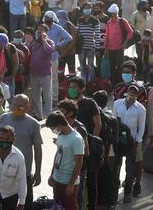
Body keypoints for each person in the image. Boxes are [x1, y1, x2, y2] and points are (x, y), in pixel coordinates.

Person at [0, 94, 42, 210]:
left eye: (20, 107)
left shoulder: (33, 124)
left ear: (27, 108)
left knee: (25, 204)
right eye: (14, 105)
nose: (16, 109)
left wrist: (37, 172)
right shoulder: (3, 118)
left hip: (24, 173)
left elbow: (38, 150)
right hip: (3, 171)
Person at [68, 76, 102, 210]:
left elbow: (97, 125)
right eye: (70, 87)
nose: (71, 90)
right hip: (72, 150)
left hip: (88, 149)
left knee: (91, 183)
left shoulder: (89, 103)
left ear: (82, 89)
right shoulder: (69, 104)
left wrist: (91, 143)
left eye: (74, 87)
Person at [113, 85, 146, 203]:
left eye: (135, 95)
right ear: (126, 93)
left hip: (131, 142)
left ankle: (127, 192)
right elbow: (113, 121)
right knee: (116, 165)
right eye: (130, 94)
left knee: (130, 168)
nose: (132, 97)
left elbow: (141, 127)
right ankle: (113, 192)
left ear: (138, 96)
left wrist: (137, 143)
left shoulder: (141, 109)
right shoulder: (117, 104)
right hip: (118, 140)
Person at [46, 111, 85, 210]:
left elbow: (79, 162)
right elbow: (57, 155)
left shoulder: (76, 139)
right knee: (57, 206)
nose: (52, 131)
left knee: (70, 206)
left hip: (68, 182)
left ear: (58, 125)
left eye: (52, 128)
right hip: (57, 178)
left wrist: (71, 184)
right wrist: (52, 174)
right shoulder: (61, 135)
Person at [57, 99, 89, 210]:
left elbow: (85, 153)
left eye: (61, 111)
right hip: (61, 175)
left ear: (70, 113)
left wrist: (71, 182)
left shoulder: (79, 129)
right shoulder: (62, 128)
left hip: (76, 174)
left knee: (75, 202)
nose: (59, 114)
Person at [45, 11, 73, 106]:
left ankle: (54, 98)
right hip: (43, 57)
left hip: (53, 56)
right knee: (43, 78)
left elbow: (69, 38)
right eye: (45, 18)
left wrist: (59, 45)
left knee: (54, 78)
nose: (46, 20)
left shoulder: (57, 28)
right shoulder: (43, 27)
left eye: (48, 18)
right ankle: (45, 98)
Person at [29, 24, 55, 120]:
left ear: (46, 32)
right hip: (34, 73)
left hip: (45, 74)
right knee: (36, 94)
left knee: (47, 95)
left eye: (42, 30)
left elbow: (49, 50)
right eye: (38, 30)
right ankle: (38, 114)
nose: (39, 31)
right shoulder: (34, 43)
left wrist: (44, 39)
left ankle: (48, 116)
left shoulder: (49, 42)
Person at [104, 3, 134, 86]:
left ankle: (122, 83)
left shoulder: (122, 21)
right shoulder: (109, 23)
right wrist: (106, 49)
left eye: (113, 14)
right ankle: (113, 84)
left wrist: (125, 42)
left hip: (119, 48)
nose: (112, 15)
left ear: (116, 13)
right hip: (110, 49)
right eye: (111, 14)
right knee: (112, 68)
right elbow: (107, 36)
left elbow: (130, 32)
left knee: (121, 67)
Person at [77, 2, 101, 83]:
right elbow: (78, 33)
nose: (87, 9)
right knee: (82, 66)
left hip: (91, 47)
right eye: (85, 7)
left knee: (91, 66)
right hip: (81, 47)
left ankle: (91, 82)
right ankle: (83, 82)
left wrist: (97, 48)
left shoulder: (95, 21)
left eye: (89, 8)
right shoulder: (80, 20)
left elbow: (97, 36)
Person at [129, 0, 151, 71]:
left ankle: (146, 71)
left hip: (147, 38)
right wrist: (135, 33)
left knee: (147, 56)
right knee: (139, 56)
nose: (147, 6)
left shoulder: (148, 13)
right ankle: (139, 71)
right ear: (141, 6)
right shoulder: (135, 14)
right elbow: (130, 24)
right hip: (139, 39)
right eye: (145, 5)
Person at [56, 10, 77, 76]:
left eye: (60, 16)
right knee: (60, 72)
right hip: (59, 53)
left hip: (70, 53)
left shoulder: (70, 26)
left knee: (72, 72)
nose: (59, 18)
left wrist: (65, 52)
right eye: (58, 17)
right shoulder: (55, 26)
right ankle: (61, 85)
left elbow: (73, 40)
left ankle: (72, 85)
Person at [93, 1, 109, 76]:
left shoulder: (107, 19)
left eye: (98, 8)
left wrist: (107, 48)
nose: (96, 10)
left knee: (106, 63)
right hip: (97, 46)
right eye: (95, 8)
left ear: (102, 9)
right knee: (98, 63)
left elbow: (109, 34)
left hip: (106, 46)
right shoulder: (94, 19)